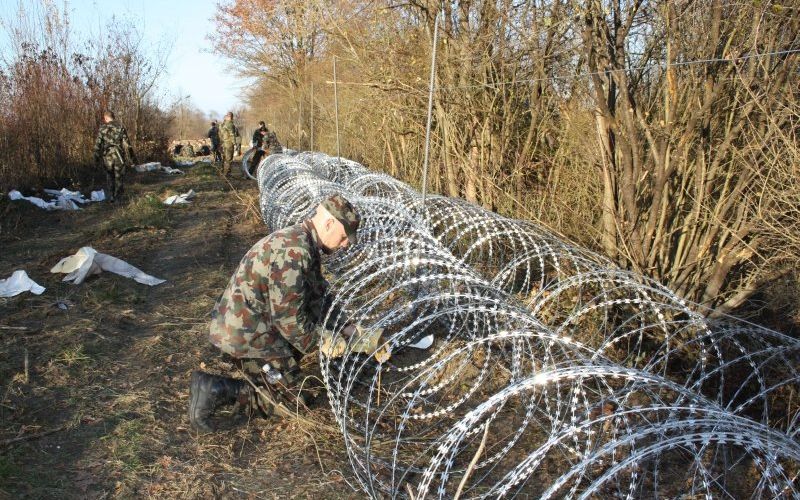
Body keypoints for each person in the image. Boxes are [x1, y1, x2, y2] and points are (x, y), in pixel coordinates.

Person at [189, 194, 361, 433]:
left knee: (290, 376)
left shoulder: (302, 242)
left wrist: (345, 327)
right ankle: (214, 389)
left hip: (252, 327)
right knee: (296, 402)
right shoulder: (295, 251)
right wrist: (324, 342)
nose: (345, 245)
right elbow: (288, 319)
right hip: (248, 336)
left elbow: (318, 297)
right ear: (329, 223)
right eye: (343, 237)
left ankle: (270, 376)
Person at [93, 110, 136, 202]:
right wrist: (132, 159)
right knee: (119, 177)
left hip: (107, 156)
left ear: (106, 118)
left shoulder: (102, 128)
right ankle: (118, 198)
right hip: (118, 155)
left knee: (109, 176)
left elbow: (97, 145)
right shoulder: (120, 127)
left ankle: (111, 196)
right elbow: (127, 145)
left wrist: (96, 159)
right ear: (113, 117)